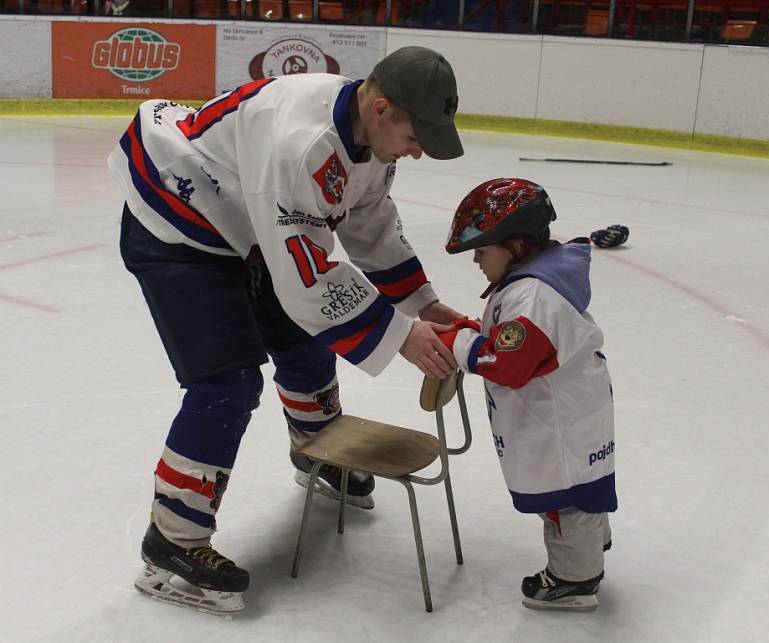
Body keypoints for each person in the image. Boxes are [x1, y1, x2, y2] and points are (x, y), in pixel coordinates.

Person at [108, 46, 464, 614]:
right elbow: (308, 279)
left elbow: (369, 221)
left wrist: (423, 302)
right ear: (381, 108)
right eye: (417, 134)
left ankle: (316, 452)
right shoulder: (301, 143)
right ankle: (172, 542)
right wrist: (400, 336)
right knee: (226, 383)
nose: (419, 149)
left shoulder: (370, 135)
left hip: (246, 216)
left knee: (304, 338)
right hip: (176, 219)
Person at [437, 178, 618, 611]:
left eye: (482, 251)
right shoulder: (533, 282)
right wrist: (472, 331)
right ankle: (591, 542)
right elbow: (516, 343)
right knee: (579, 486)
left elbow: (508, 363)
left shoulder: (532, 296)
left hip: (556, 421)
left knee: (563, 497)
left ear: (515, 246)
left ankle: (576, 579)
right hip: (569, 411)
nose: (477, 260)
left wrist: (455, 344)